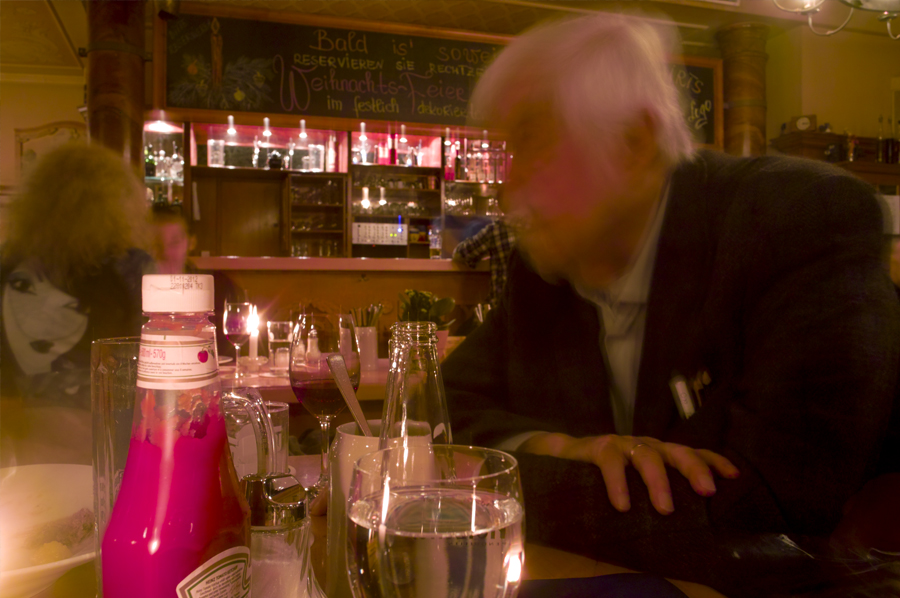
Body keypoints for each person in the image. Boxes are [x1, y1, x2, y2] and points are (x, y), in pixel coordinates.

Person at [441, 14, 900, 596]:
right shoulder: (549, 266)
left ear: (633, 143)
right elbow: (441, 409)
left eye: (533, 142)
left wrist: (504, 484)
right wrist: (554, 448)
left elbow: (768, 520)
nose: (509, 186)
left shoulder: (798, 220)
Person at [149, 204, 239, 357]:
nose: (165, 252)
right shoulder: (133, 292)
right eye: (156, 244)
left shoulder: (218, 288)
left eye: (174, 243)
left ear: (191, 242)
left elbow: (233, 351)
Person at [452, 217, 517, 310]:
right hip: (536, 309)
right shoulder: (537, 228)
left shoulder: (498, 228)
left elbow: (461, 254)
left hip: (504, 310)